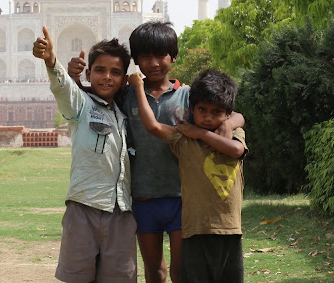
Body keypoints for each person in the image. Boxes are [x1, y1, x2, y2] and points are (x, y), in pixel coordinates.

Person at [67, 21, 244, 283]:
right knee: (154, 271)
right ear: (136, 61)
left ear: (173, 56)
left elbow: (232, 112)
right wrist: (74, 77)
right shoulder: (127, 94)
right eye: (145, 57)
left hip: (182, 196)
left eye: (161, 56)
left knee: (180, 271)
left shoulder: (188, 96)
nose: (154, 63)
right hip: (143, 195)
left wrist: (229, 123)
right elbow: (90, 96)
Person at [33, 26, 137, 283]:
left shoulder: (127, 116)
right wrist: (51, 61)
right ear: (88, 73)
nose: (107, 78)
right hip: (83, 209)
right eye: (100, 70)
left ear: (124, 79)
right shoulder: (82, 106)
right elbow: (64, 89)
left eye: (115, 72)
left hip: (121, 212)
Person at [129, 68, 247, 282]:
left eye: (216, 112)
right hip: (194, 229)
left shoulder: (233, 134)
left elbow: (237, 151)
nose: (208, 117)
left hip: (230, 230)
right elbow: (153, 127)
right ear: (192, 108)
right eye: (202, 110)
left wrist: (202, 132)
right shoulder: (183, 139)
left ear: (228, 113)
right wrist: (138, 88)